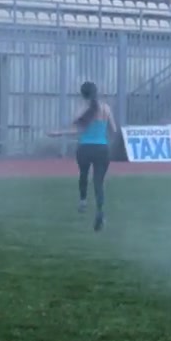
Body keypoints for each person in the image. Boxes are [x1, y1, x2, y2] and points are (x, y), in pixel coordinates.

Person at [50, 81, 117, 231]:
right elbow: (113, 130)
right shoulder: (106, 108)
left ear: (82, 94)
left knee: (83, 175)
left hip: (85, 147)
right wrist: (106, 141)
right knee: (98, 182)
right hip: (102, 148)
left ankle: (83, 200)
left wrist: (58, 133)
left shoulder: (82, 109)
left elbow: (77, 129)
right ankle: (100, 211)